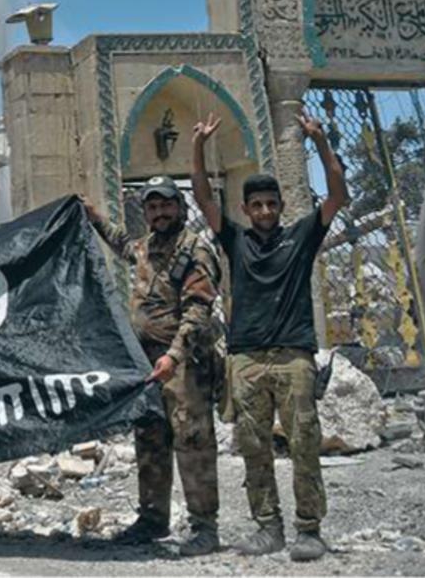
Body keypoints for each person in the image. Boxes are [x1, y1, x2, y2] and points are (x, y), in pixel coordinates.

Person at [190, 110, 347, 562]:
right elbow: (202, 199)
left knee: (303, 444)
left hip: (293, 356)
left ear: (280, 207)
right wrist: (199, 146)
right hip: (246, 359)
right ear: (246, 209)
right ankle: (268, 528)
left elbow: (337, 194)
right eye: (256, 205)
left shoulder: (300, 236)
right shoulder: (235, 240)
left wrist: (319, 141)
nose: (263, 212)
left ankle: (309, 529)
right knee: (255, 448)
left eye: (271, 205)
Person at [83, 178, 221, 556]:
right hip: (146, 363)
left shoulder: (195, 250)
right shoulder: (147, 248)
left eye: (166, 206)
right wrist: (94, 217)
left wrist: (173, 356)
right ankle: (152, 519)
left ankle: (205, 527)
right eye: (153, 207)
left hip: (183, 363)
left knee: (191, 441)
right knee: (150, 438)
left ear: (180, 207)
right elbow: (123, 244)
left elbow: (198, 312)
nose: (160, 213)